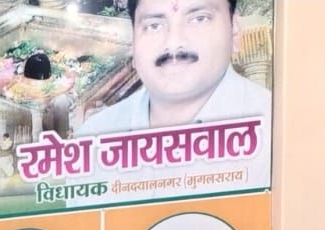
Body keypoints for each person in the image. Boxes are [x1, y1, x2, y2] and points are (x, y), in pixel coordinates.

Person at [77, 0, 270, 134]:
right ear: (133, 44)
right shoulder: (95, 138)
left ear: (234, 31)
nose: (174, 43)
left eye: (199, 19)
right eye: (154, 26)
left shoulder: (277, 125)